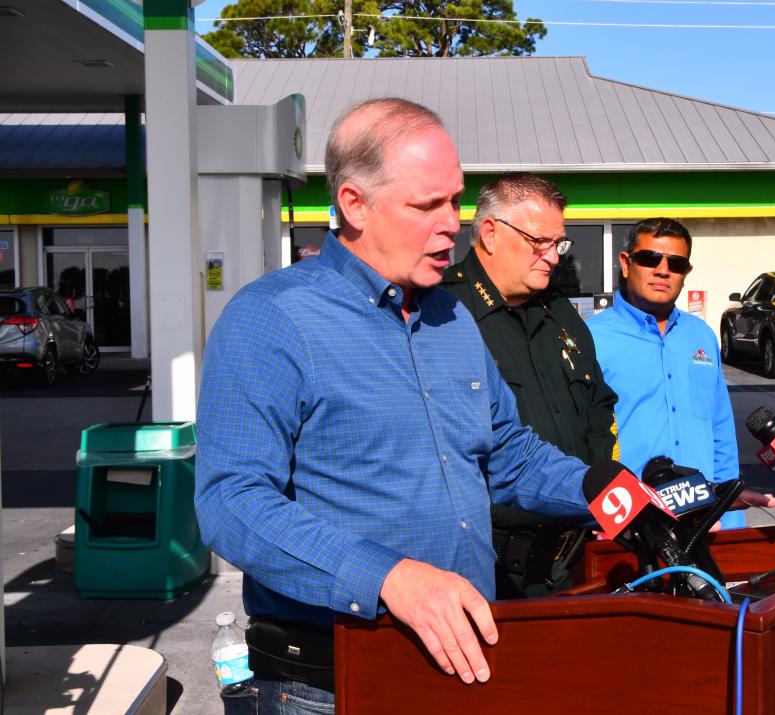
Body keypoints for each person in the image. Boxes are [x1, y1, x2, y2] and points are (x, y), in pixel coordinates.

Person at [194, 98, 595, 712]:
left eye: (454, 200)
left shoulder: (451, 316)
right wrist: (388, 577)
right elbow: (231, 502)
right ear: (354, 204)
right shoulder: (270, 318)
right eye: (426, 204)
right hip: (324, 685)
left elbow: (508, 452)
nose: (452, 225)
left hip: (461, 665)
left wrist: (611, 491)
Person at [441, 173, 617, 598]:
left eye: (560, 244)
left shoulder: (561, 313)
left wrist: (609, 505)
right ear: (490, 233)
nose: (554, 257)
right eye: (540, 241)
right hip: (489, 567)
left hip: (571, 557)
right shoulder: (442, 315)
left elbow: (599, 411)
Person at [587, 218, 775, 529]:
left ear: (686, 272)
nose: (662, 270)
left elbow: (719, 426)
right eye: (650, 259)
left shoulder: (701, 336)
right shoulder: (591, 339)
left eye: (675, 264)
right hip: (631, 524)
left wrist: (728, 511)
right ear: (626, 263)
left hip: (706, 520)